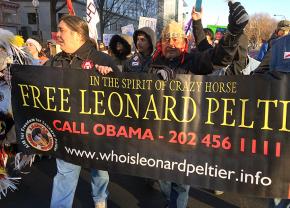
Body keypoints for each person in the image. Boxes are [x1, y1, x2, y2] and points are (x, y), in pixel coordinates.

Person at [98, 2, 249, 207]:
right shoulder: (152, 63)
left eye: (175, 38)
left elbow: (220, 58)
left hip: (184, 136)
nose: (171, 42)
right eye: (166, 38)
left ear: (184, 41)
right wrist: (109, 73)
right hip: (157, 136)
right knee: (163, 178)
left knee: (181, 183)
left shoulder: (193, 61)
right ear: (161, 42)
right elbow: (133, 86)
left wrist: (233, 32)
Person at [45, 15, 119, 208]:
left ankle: (100, 199)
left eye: (61, 30)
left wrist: (110, 78)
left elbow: (122, 97)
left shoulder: (101, 59)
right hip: (67, 131)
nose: (57, 34)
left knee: (99, 171)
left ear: (78, 34)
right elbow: (37, 82)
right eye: (57, 30)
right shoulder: (56, 60)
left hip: (97, 131)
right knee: (64, 174)